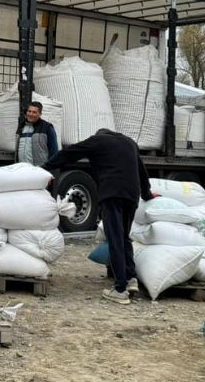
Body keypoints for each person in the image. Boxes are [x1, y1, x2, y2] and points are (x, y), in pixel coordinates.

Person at [45, 128, 152, 303]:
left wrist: (45, 167)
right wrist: (147, 194)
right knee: (124, 237)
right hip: (132, 196)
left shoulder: (98, 141)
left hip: (112, 194)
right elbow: (142, 171)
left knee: (115, 238)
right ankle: (131, 278)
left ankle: (120, 289)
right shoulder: (129, 143)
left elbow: (69, 152)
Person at [16, 101, 60, 166]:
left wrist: (50, 168)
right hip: (21, 168)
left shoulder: (47, 127)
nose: (31, 114)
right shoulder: (21, 127)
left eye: (34, 112)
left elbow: (54, 150)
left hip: (39, 170)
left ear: (40, 114)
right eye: (29, 111)